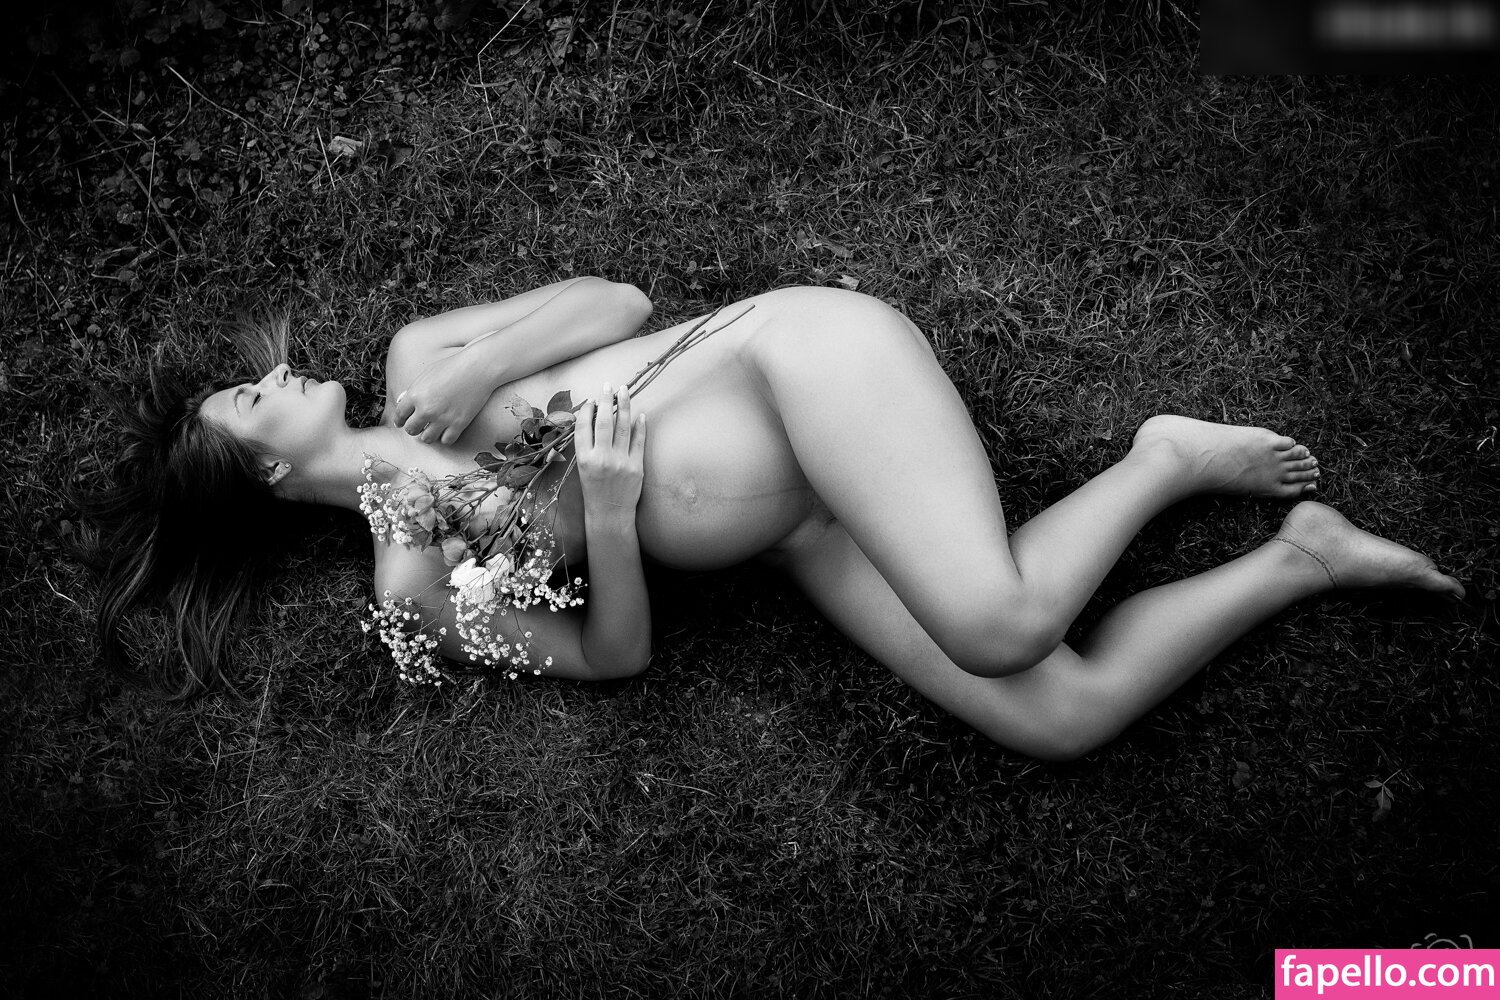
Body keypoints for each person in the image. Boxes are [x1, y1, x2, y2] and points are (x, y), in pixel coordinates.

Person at [85, 278, 1465, 760]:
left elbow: (622, 304)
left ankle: (1160, 462)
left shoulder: (420, 359)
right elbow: (617, 658)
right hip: (806, 526)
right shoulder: (414, 591)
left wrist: (486, 367)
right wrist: (607, 513)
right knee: (1062, 715)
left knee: (997, 628)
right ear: (264, 477)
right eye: (247, 399)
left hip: (800, 362)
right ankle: (1300, 559)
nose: (273, 373)